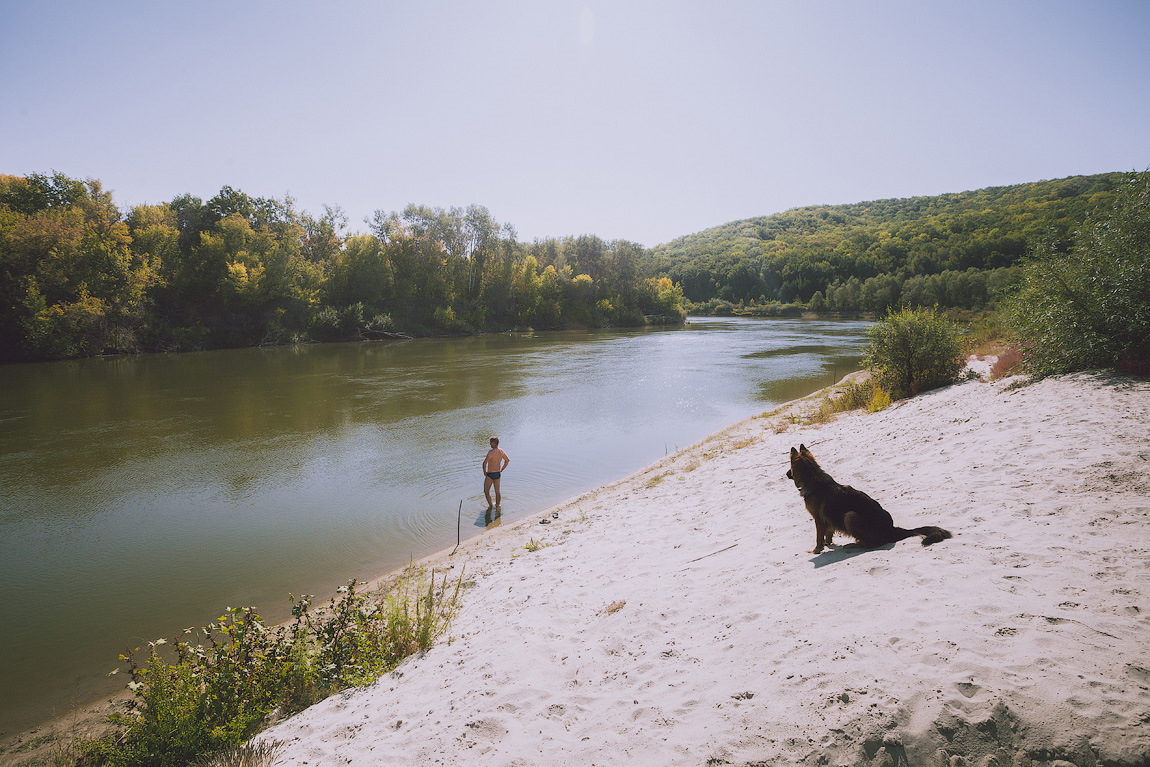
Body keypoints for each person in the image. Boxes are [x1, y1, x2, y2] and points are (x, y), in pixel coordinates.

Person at [482, 436, 510, 509]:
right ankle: (498, 506)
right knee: (497, 491)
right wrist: (501, 469)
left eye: (491, 442)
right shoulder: (501, 451)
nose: (490, 444)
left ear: (494, 443)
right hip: (497, 474)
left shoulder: (491, 452)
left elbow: (484, 463)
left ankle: (491, 506)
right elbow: (507, 460)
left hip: (490, 474)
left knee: (486, 491)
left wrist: (484, 472)